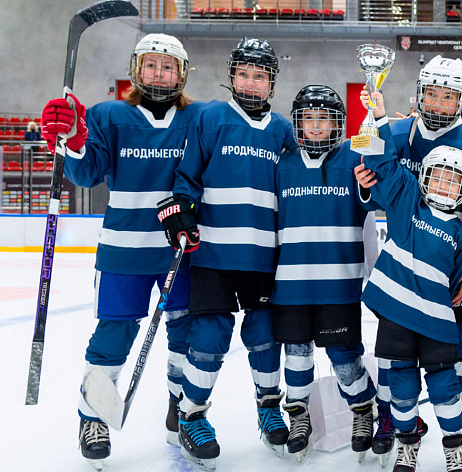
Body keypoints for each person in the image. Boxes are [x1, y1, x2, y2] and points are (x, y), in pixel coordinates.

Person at [39, 33, 201, 469]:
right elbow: (88, 172)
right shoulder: (109, 115)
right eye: (150, 65)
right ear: (135, 69)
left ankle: (181, 409)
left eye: (168, 66)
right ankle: (92, 418)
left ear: (181, 74)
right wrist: (71, 137)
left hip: (181, 251)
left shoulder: (198, 118)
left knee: (186, 336)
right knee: (114, 335)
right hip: (124, 251)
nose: (159, 73)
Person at [157, 37, 296, 471]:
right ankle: (192, 415)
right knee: (211, 338)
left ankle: (269, 407)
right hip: (214, 253)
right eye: (243, 74)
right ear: (232, 76)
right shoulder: (211, 117)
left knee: (264, 335)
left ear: (271, 82)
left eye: (260, 76)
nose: (250, 83)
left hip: (263, 257)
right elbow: (187, 179)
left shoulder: (283, 130)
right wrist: (179, 212)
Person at [365, 55, 462, 464]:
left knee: (460, 355)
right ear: (419, 94)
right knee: (396, 354)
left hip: (448, 269)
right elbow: (373, 181)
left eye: (447, 97)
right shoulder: (396, 130)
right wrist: (365, 186)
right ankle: (393, 418)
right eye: (432, 94)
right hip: (403, 264)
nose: (438, 104)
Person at [270, 85, 377, 463]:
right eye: (309, 118)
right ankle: (298, 418)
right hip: (290, 289)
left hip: (339, 287)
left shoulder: (353, 158)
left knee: (346, 361)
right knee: (296, 357)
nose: (316, 126)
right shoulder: (282, 165)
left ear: (337, 123)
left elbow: (372, 200)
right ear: (297, 123)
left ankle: (364, 410)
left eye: (325, 118)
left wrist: (378, 118)